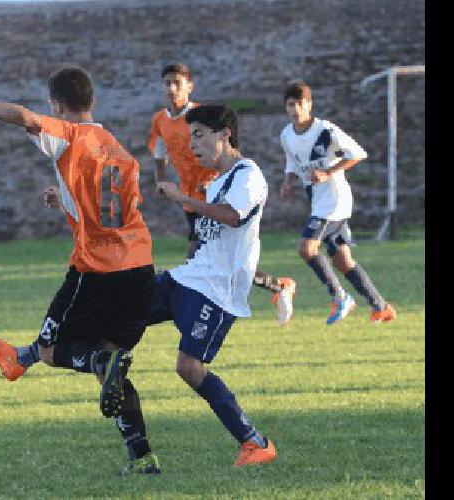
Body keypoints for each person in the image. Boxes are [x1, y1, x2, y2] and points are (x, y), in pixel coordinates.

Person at [0, 66, 161, 475]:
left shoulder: (69, 135)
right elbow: (114, 212)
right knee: (106, 356)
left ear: (57, 104)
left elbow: (24, 117)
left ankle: (30, 359)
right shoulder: (119, 150)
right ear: (93, 101)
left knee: (60, 352)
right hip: (140, 268)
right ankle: (142, 458)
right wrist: (66, 201)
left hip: (97, 268)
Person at [150, 103, 278, 467]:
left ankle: (255, 443)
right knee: (123, 307)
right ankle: (33, 354)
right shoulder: (216, 182)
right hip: (189, 278)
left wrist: (182, 199)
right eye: (191, 137)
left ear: (225, 134)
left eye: (200, 135)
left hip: (216, 292)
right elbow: (211, 236)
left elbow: (234, 217)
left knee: (189, 369)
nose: (193, 145)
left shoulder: (247, 174)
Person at [148, 63, 297, 326]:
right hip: (188, 196)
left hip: (210, 193)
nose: (171, 89)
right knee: (213, 253)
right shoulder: (160, 120)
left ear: (189, 87)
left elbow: (223, 155)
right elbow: (159, 152)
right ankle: (278, 286)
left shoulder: (201, 117)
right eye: (167, 83)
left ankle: (192, 306)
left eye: (177, 83)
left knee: (208, 251)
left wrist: (215, 184)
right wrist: (161, 181)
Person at [277, 81, 397, 325]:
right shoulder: (287, 135)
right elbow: (293, 163)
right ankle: (381, 307)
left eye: (300, 103)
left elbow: (358, 153)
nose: (296, 108)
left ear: (309, 105)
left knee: (306, 248)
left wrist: (328, 172)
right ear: (286, 107)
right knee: (343, 261)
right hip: (319, 202)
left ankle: (340, 297)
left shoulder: (326, 130)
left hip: (334, 201)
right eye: (291, 104)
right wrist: (288, 182)